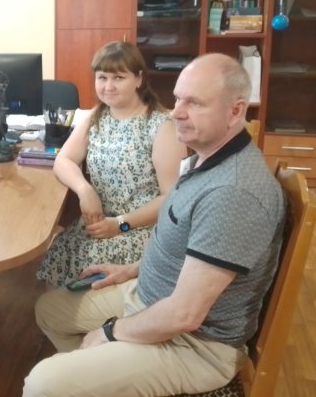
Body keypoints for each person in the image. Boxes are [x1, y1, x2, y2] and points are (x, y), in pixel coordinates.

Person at [23, 53, 286, 397]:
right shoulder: (205, 159)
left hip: (194, 344)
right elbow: (180, 242)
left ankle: (90, 378)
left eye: (195, 103)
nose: (176, 112)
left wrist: (111, 332)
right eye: (178, 98)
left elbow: (184, 315)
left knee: (42, 384)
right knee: (49, 310)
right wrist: (132, 269)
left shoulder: (233, 192)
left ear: (235, 111)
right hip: (150, 294)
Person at [37, 41, 187, 287]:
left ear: (139, 79)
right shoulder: (97, 117)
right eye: (102, 77)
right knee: (58, 254)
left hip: (138, 229)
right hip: (99, 224)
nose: (108, 86)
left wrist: (120, 224)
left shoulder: (162, 126)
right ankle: (63, 308)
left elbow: (171, 199)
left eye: (119, 77)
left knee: (84, 265)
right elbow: (63, 160)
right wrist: (85, 190)